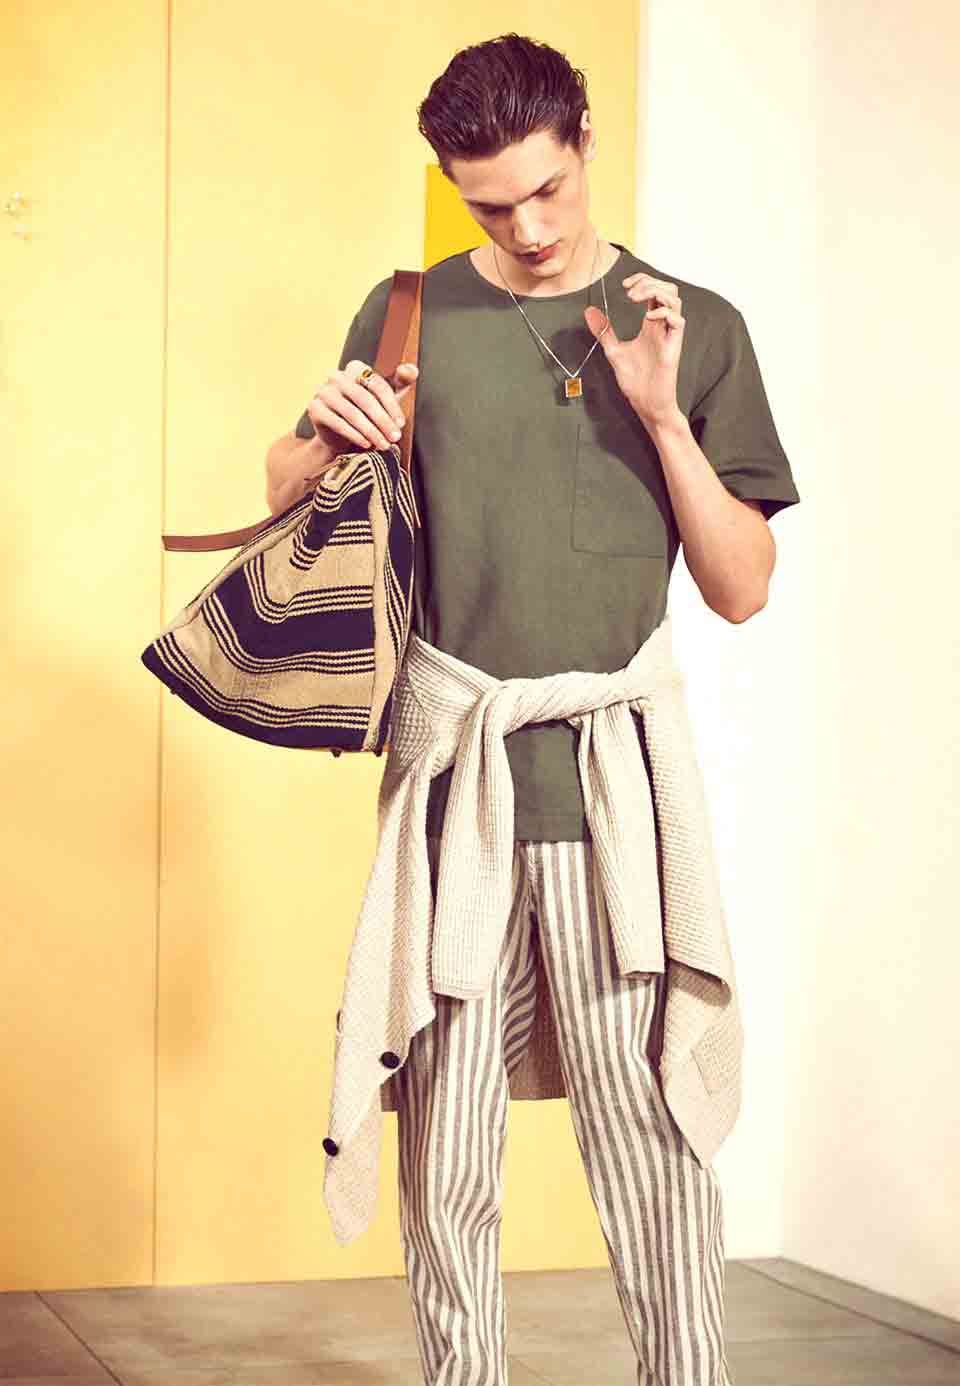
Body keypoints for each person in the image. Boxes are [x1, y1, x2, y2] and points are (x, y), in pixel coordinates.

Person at [265, 31, 800, 1386]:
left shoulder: (694, 324)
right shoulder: (410, 314)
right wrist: (322, 433)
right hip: (456, 793)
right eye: (491, 204)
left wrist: (662, 418)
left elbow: (742, 587)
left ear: (585, 142)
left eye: (548, 190)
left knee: (650, 1137)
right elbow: (285, 494)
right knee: (446, 1154)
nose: (530, 228)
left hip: (613, 798)